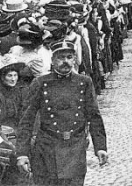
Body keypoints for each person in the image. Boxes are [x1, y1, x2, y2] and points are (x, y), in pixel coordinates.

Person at [16, 39, 108, 186]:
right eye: (60, 57)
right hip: (47, 149)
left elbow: (94, 116)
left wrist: (100, 147)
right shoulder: (40, 83)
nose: (65, 61)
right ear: (52, 60)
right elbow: (26, 120)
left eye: (69, 57)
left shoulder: (84, 82)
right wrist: (22, 153)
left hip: (75, 147)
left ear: (74, 59)